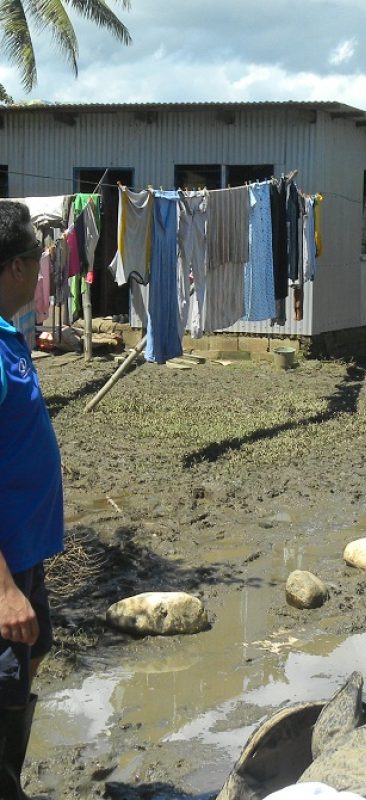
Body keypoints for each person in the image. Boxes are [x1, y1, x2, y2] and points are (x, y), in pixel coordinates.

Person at [0, 201, 64, 798]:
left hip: (24, 557)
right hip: (3, 572)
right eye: (37, 263)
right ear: (17, 268)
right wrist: (2, 590)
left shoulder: (8, 334)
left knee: (32, 658)